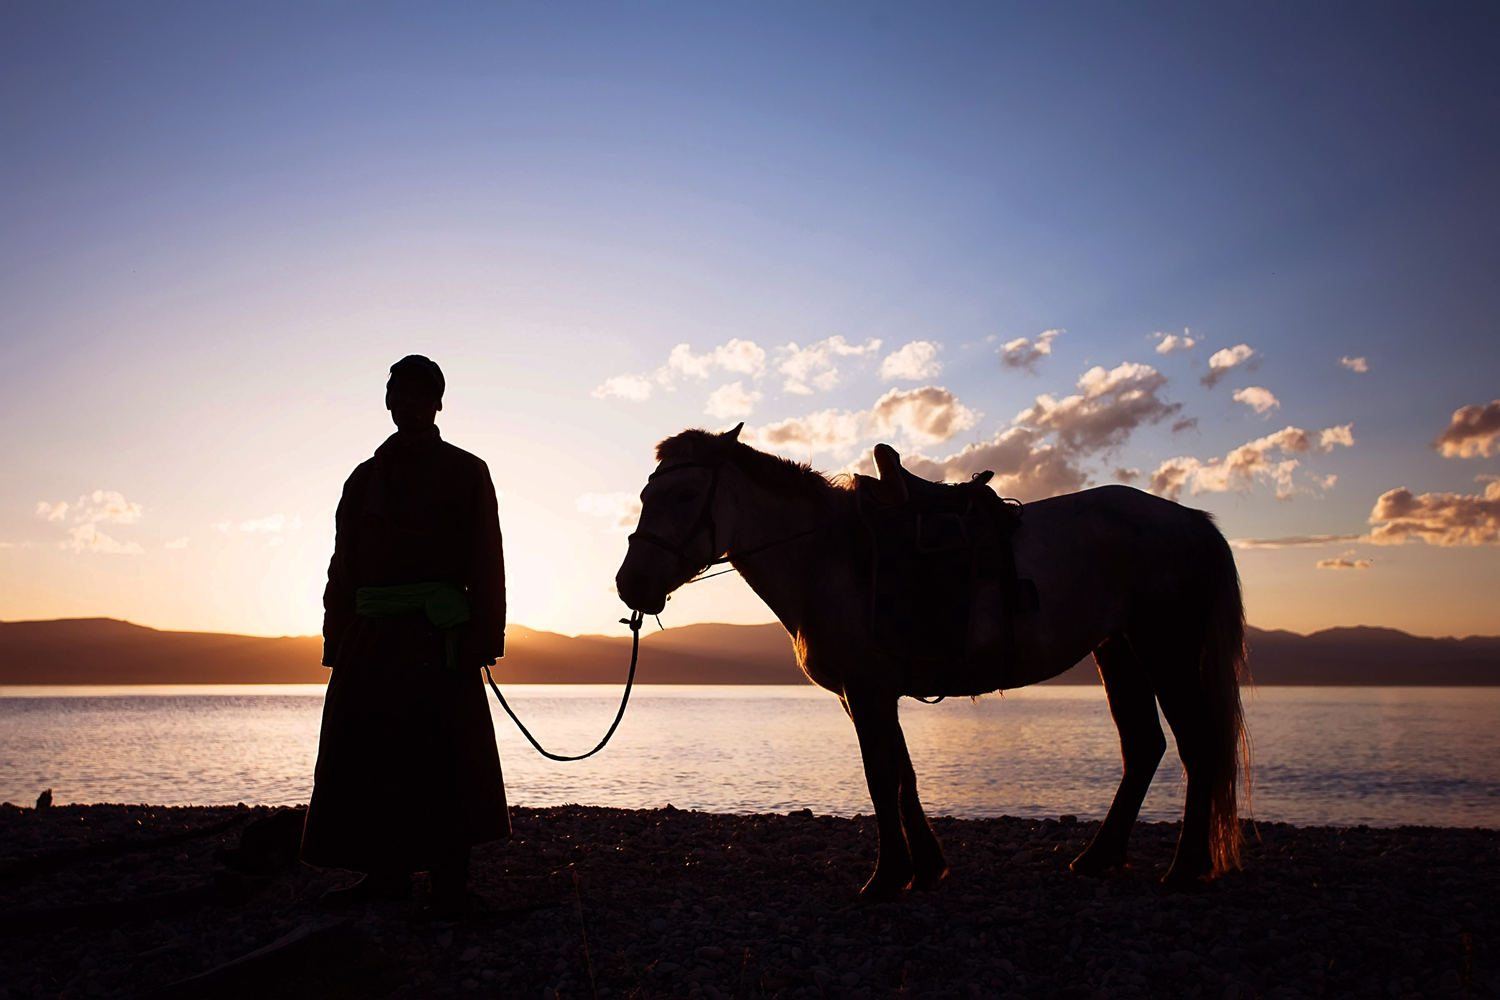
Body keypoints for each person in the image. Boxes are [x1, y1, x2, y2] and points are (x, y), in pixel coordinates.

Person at [300, 355, 510, 914]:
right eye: (399, 393)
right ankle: (383, 876)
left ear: (438, 402)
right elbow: (342, 567)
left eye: (421, 393)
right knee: (372, 756)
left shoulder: (468, 471)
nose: (409, 403)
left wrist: (483, 638)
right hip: (369, 640)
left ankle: (451, 886)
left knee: (445, 758)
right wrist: (336, 639)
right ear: (388, 402)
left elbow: (487, 561)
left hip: (439, 640)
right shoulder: (361, 479)